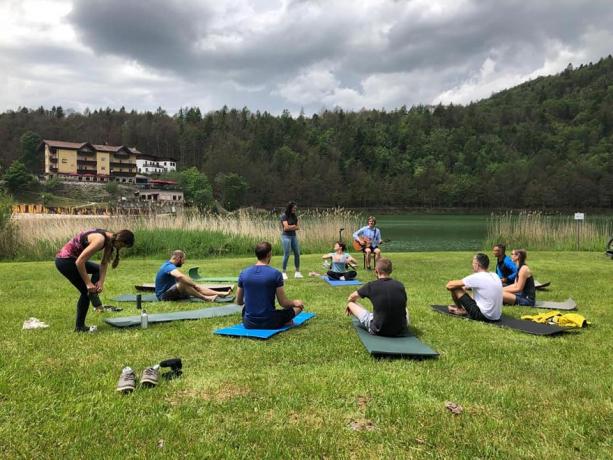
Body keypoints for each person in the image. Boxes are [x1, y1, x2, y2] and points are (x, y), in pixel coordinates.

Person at [55, 228, 134, 332]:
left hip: (71, 259)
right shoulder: (100, 240)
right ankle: (80, 327)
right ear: (120, 240)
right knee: (85, 292)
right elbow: (80, 262)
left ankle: (93, 295)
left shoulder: (109, 238)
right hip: (65, 261)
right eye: (123, 246)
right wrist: (88, 283)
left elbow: (104, 263)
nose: (121, 248)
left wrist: (101, 281)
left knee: (97, 270)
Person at [237, 241, 304, 329]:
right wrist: (294, 302)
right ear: (269, 254)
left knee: (246, 309)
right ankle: (285, 321)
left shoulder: (243, 273)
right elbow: (283, 303)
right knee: (299, 307)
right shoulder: (276, 274)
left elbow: (239, 302)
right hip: (270, 322)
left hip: (249, 323)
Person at [346, 258, 409, 337]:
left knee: (351, 304)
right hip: (401, 330)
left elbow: (351, 297)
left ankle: (376, 317)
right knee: (405, 308)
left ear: (376, 271)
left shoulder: (371, 285)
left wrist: (350, 305)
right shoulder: (400, 285)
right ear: (390, 271)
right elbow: (404, 305)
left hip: (378, 329)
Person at [155, 250, 231, 301]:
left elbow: (181, 278)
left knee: (189, 284)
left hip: (172, 292)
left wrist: (194, 285)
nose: (184, 262)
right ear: (178, 258)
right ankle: (206, 298)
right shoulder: (168, 266)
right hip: (163, 296)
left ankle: (219, 294)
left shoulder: (170, 266)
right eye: (183, 259)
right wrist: (194, 284)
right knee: (183, 284)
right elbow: (180, 276)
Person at [446, 253, 503, 321]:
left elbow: (449, 285)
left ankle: (460, 309)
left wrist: (459, 288)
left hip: (483, 316)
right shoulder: (495, 275)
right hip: (496, 316)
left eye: (473, 263)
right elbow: (482, 286)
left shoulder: (477, 276)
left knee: (455, 288)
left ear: (477, 264)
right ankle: (461, 308)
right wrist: (464, 288)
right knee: (470, 293)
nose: (472, 265)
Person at [280, 201, 302, 280]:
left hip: (293, 236)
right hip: (286, 237)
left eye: (296, 208)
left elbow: (298, 227)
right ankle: (283, 272)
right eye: (294, 208)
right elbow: (285, 228)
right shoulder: (284, 216)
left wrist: (291, 226)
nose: (295, 209)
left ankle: (297, 272)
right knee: (287, 254)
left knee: (297, 253)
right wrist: (293, 226)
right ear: (290, 208)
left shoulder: (294, 216)